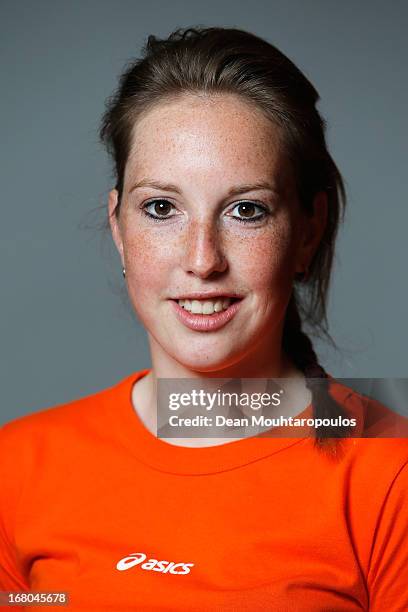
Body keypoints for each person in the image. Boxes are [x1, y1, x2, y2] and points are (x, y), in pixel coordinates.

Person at [1, 26, 407, 612]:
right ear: (118, 226)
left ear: (307, 231)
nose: (202, 261)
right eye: (162, 208)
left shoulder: (390, 470)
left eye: (247, 210)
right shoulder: (19, 466)